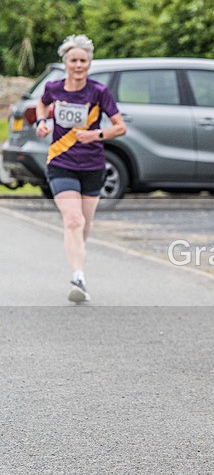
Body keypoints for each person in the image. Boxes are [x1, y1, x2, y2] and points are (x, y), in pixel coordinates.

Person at [35, 35, 126, 303]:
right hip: (61, 163)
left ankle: (78, 257)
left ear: (89, 63)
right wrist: (42, 121)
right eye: (73, 60)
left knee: (84, 224)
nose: (78, 65)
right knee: (73, 219)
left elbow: (120, 127)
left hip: (92, 165)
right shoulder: (54, 88)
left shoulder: (99, 92)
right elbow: (42, 103)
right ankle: (78, 276)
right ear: (66, 63)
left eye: (83, 61)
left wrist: (96, 135)